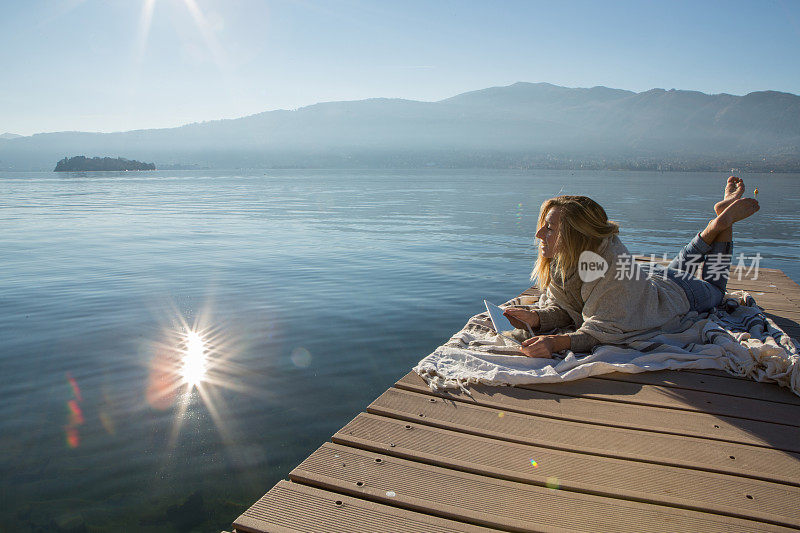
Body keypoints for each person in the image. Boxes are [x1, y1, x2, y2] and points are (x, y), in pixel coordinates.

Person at [503, 177, 760, 358]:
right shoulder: (565, 261)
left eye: (549, 228)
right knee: (676, 269)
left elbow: (604, 331)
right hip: (649, 282)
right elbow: (569, 308)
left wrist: (556, 342)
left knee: (715, 288)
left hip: (679, 293)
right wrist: (536, 318)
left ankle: (722, 226)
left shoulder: (610, 271)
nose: (538, 234)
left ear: (574, 234)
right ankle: (716, 224)